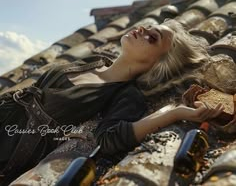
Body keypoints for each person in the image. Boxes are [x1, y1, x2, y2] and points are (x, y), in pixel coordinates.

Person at [0, 19, 224, 185]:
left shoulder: (127, 95)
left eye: (153, 37)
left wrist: (174, 114)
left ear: (160, 64)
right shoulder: (92, 61)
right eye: (148, 26)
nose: (143, 29)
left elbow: (109, 138)